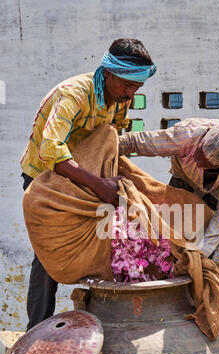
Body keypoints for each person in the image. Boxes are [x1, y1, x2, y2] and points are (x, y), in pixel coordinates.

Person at [20, 38, 156, 331]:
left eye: (137, 88)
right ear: (108, 72)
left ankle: (101, 324)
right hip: (46, 181)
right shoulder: (73, 95)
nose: (131, 94)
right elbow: (52, 155)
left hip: (88, 178)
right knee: (49, 256)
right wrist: (100, 186)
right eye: (127, 85)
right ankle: (36, 332)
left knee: (107, 242)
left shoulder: (120, 100)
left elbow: (110, 142)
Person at [119, 118, 219, 330]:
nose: (196, 161)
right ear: (202, 141)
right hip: (184, 186)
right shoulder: (186, 134)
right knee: (167, 243)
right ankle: (174, 315)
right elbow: (139, 142)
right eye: (197, 154)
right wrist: (108, 146)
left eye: (204, 163)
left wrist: (202, 251)